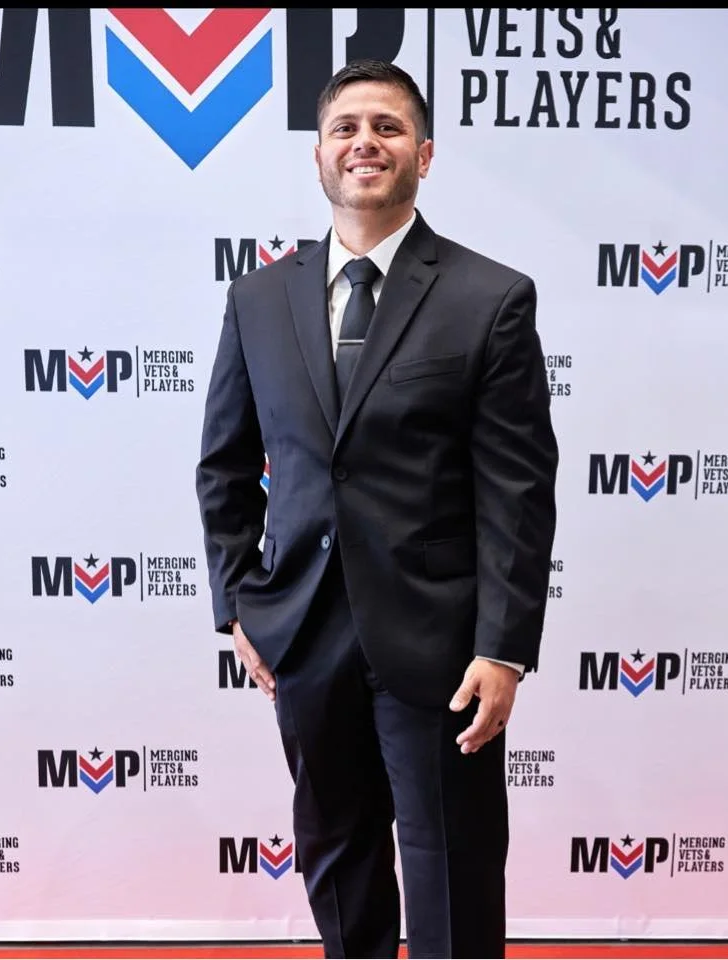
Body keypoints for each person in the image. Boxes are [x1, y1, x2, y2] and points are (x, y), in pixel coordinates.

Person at [196, 59, 558, 959]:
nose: (366, 142)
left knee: (450, 864)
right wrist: (238, 605)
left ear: (423, 155)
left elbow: (516, 489)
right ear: (319, 155)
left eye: (388, 128)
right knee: (335, 854)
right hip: (303, 635)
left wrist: (502, 646)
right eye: (346, 128)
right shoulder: (258, 299)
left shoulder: (488, 297)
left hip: (440, 642)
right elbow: (225, 466)